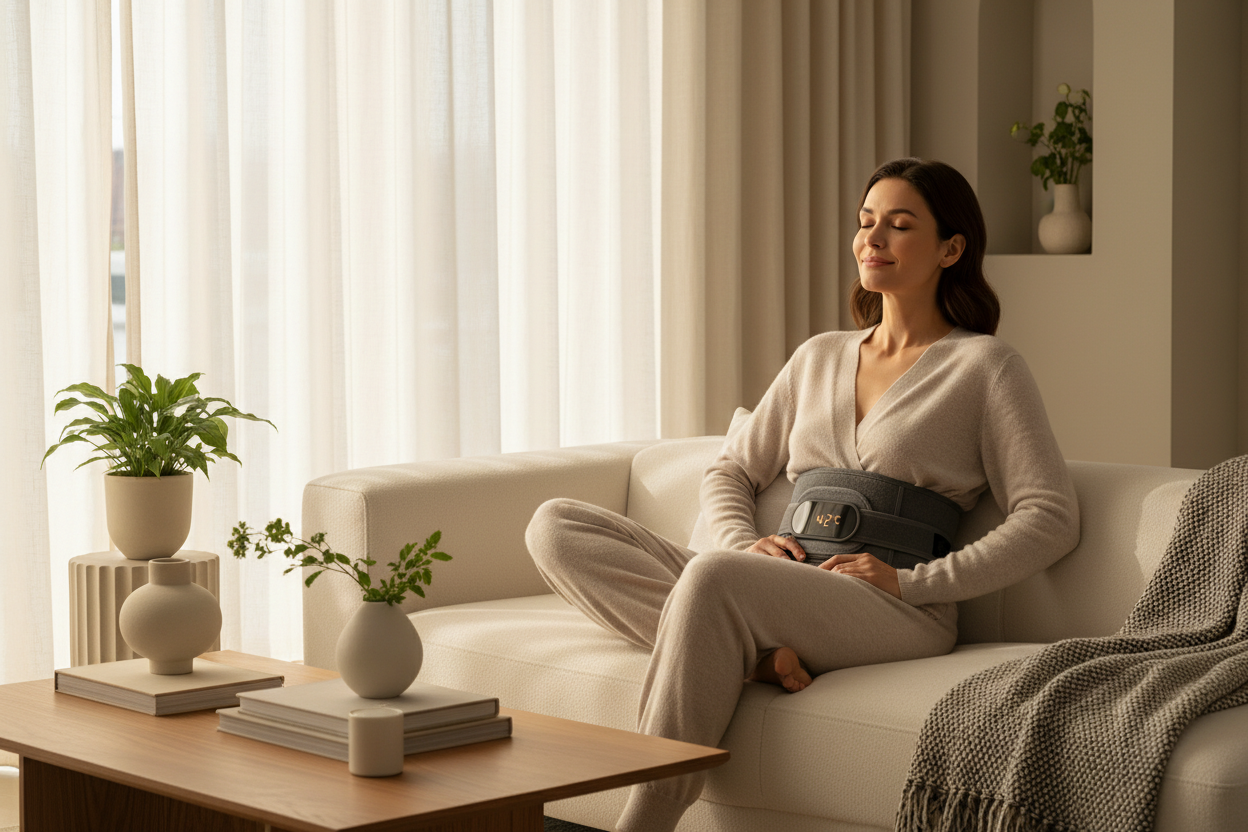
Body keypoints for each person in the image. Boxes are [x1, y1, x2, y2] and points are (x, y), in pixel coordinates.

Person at [525, 157, 1080, 832]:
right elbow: (730, 470)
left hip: (888, 606)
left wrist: (916, 584)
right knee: (554, 526)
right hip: (771, 581)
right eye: (866, 222)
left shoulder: (985, 367)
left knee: (712, 582)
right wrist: (740, 544)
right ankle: (757, 660)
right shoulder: (818, 355)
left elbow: (1050, 517)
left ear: (950, 249)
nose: (872, 238)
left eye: (899, 225)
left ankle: (644, 820)